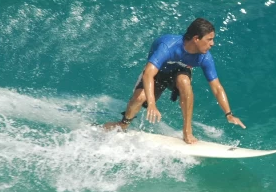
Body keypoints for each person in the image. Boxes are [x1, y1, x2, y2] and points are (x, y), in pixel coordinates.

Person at [103, 18, 246, 144]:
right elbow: (148, 74)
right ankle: (123, 124)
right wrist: (152, 104)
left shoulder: (204, 57)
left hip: (180, 72)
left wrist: (229, 114)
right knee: (140, 97)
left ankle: (187, 131)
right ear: (196, 38)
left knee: (184, 81)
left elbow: (216, 87)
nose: (212, 44)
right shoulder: (168, 46)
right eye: (209, 39)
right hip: (158, 72)